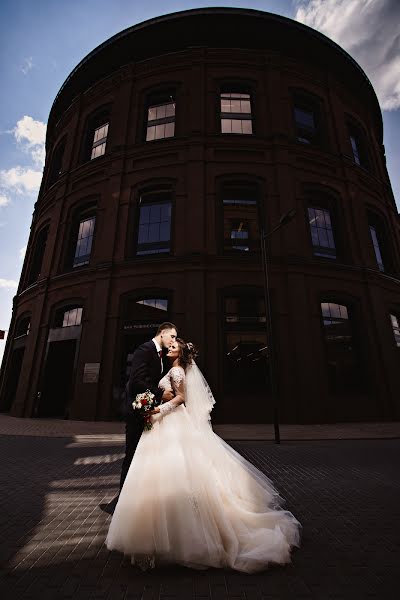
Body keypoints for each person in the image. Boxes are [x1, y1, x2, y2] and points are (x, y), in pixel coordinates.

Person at [106, 339, 301, 573]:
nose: (169, 349)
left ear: (181, 353)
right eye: (169, 347)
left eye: (173, 348)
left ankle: (177, 536)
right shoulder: (171, 369)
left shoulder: (177, 371)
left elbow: (181, 398)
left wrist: (157, 410)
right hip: (164, 425)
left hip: (171, 422)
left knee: (173, 471)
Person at [119, 322, 177, 490]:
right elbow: (136, 381)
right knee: (132, 454)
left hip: (147, 410)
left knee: (142, 454)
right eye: (171, 336)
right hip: (136, 411)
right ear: (162, 333)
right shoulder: (145, 350)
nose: (173, 341)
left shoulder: (159, 354)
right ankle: (123, 497)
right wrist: (161, 394)